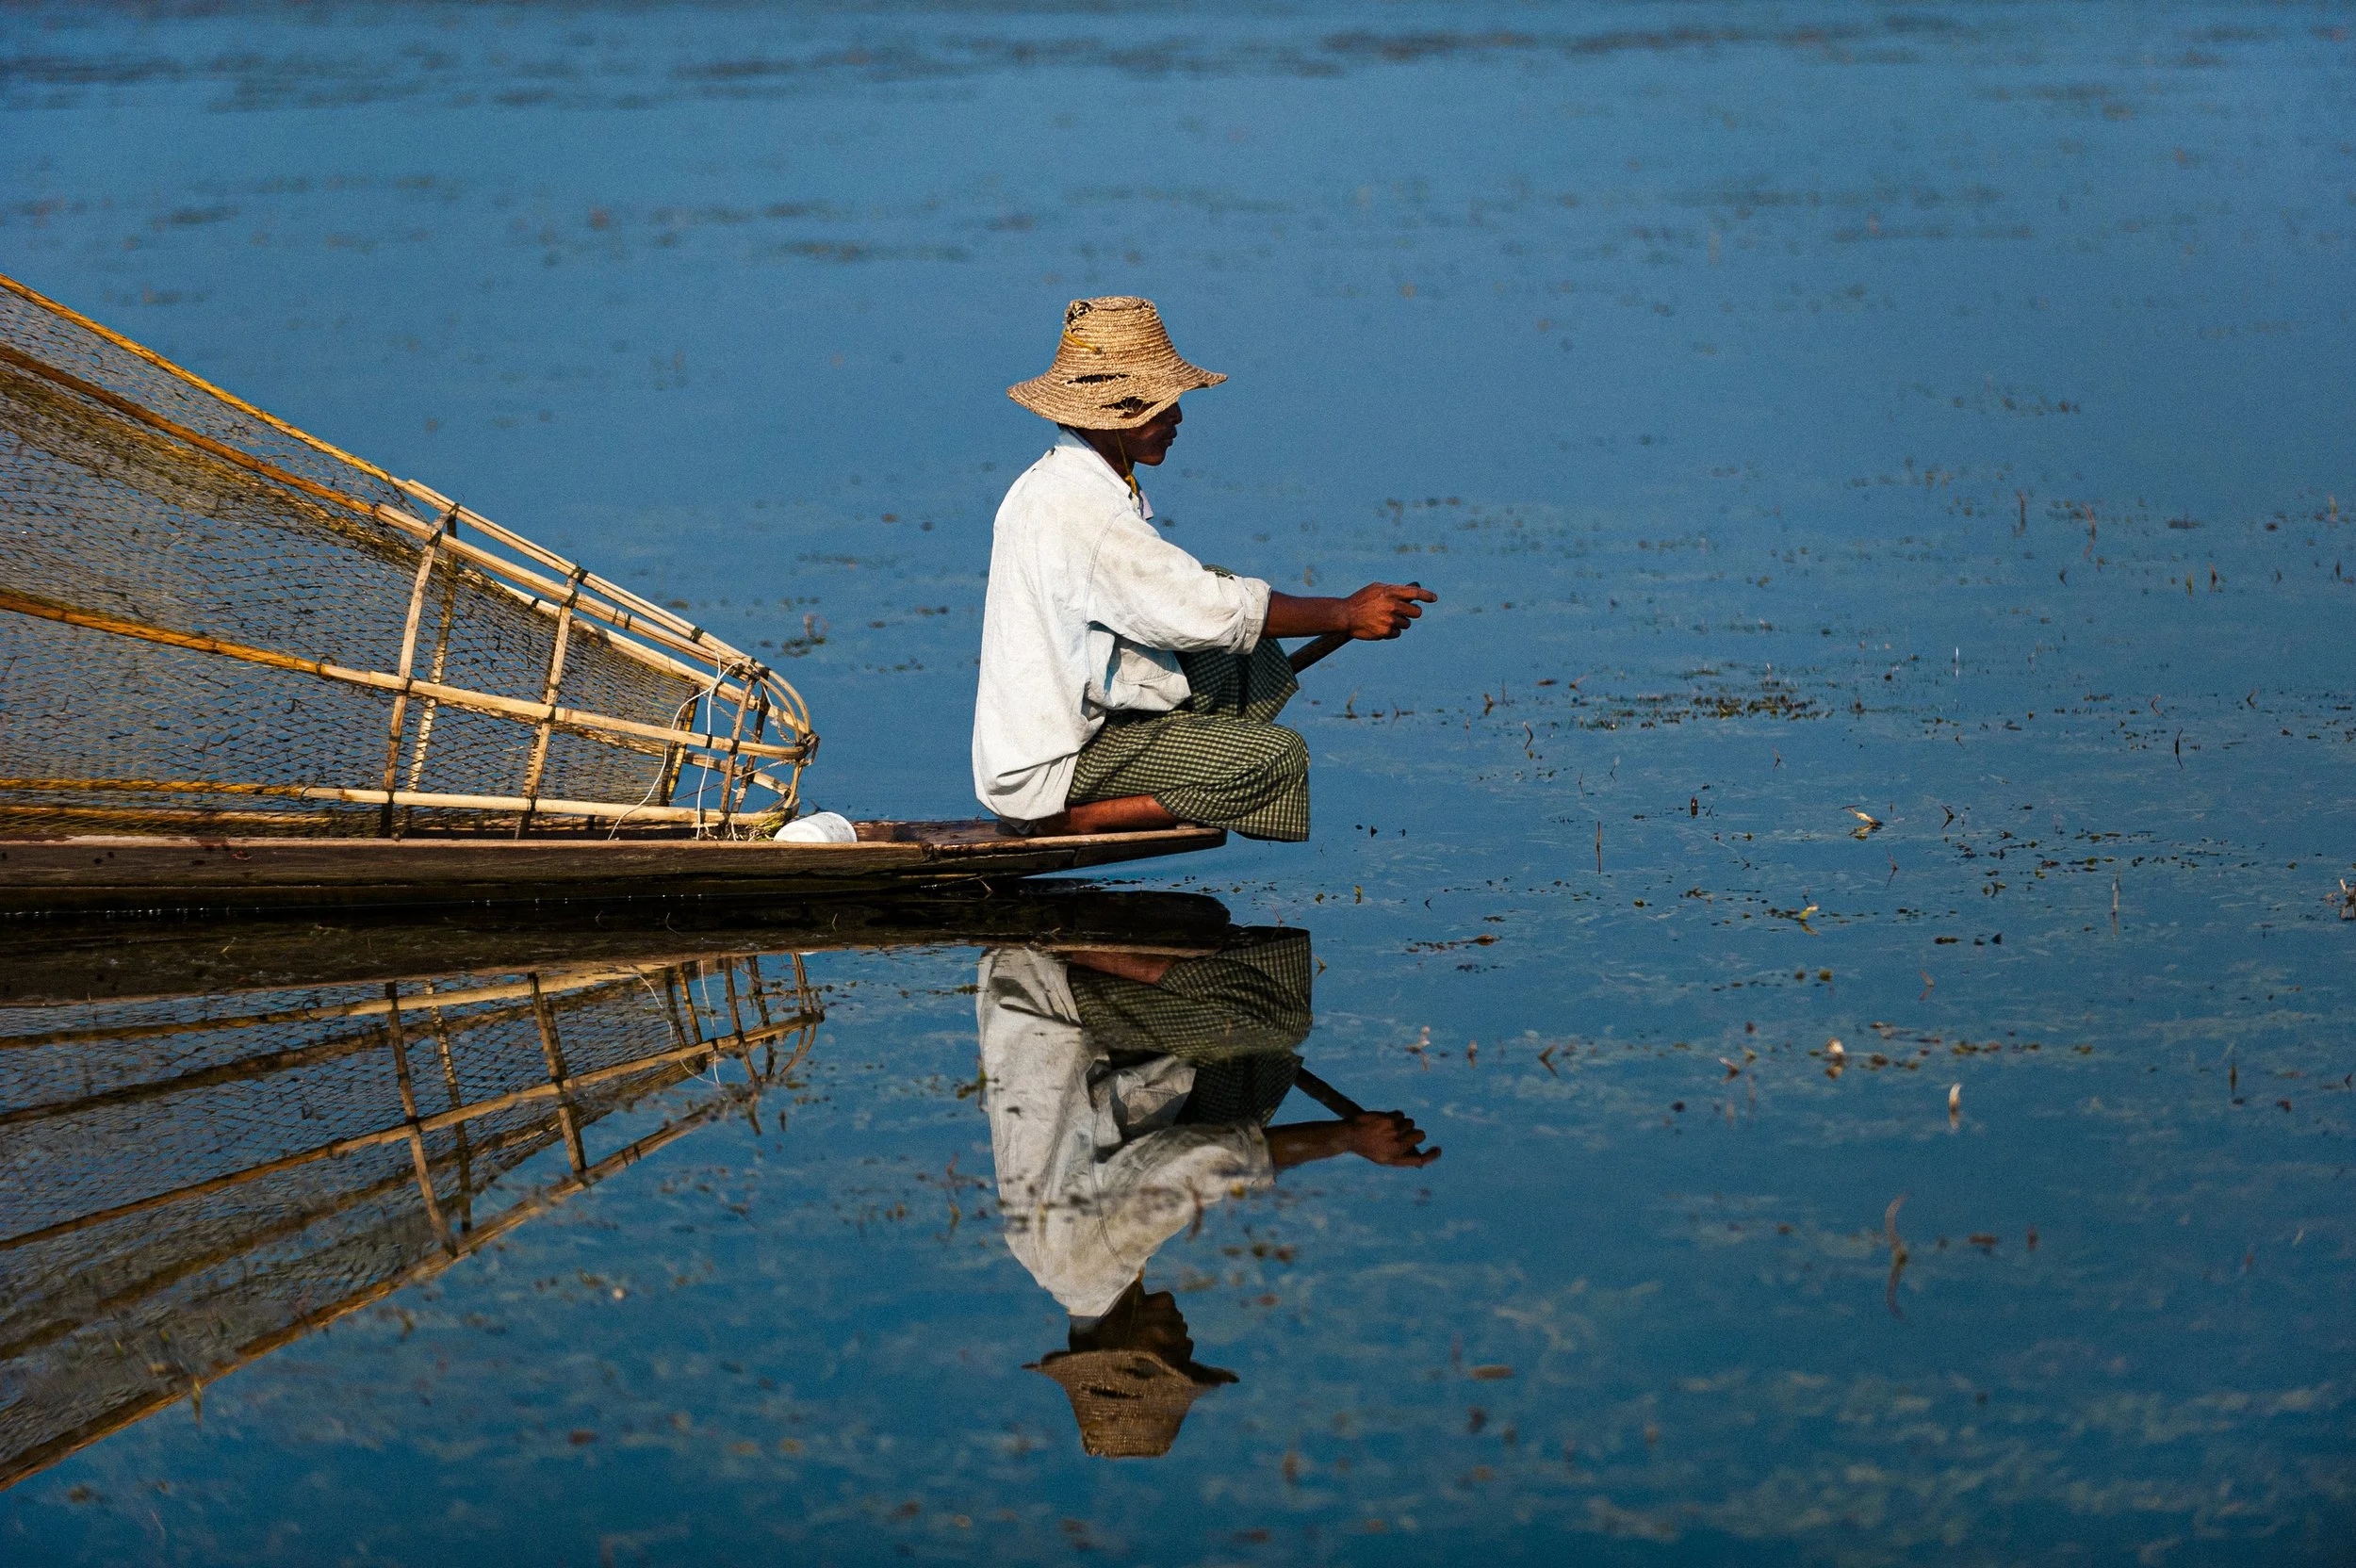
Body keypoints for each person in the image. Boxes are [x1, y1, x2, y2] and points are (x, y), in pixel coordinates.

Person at [974, 295, 1436, 840]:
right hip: (1053, 763)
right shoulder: (1082, 514)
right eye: (1162, 405)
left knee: (1234, 636)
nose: (1177, 418)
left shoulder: (1055, 481)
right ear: (1115, 413)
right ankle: (1062, 820)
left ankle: (1188, 757)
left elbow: (1191, 601)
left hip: (1058, 729)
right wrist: (1344, 614)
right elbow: (1202, 608)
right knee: (1277, 758)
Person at [976, 927, 1437, 1458]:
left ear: (1130, 1352)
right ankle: (1141, 962)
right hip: (1088, 1043)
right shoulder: (1070, 1269)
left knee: (1273, 1019)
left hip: (1049, 997)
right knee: (1249, 1081)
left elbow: (1200, 1162)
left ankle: (1072, 944)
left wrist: (1346, 1139)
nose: (1189, 1343)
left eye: (1177, 1356)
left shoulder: (1088, 1259)